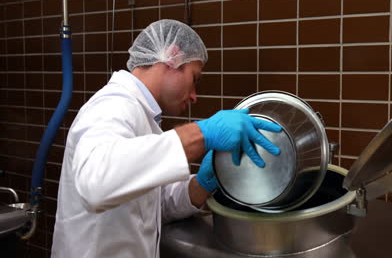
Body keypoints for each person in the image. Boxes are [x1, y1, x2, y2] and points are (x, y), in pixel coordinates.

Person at [51, 19, 282, 258]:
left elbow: (154, 206)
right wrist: (202, 134)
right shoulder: (112, 106)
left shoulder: (145, 119)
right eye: (195, 79)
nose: (194, 96)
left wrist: (203, 183)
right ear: (172, 57)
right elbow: (95, 182)